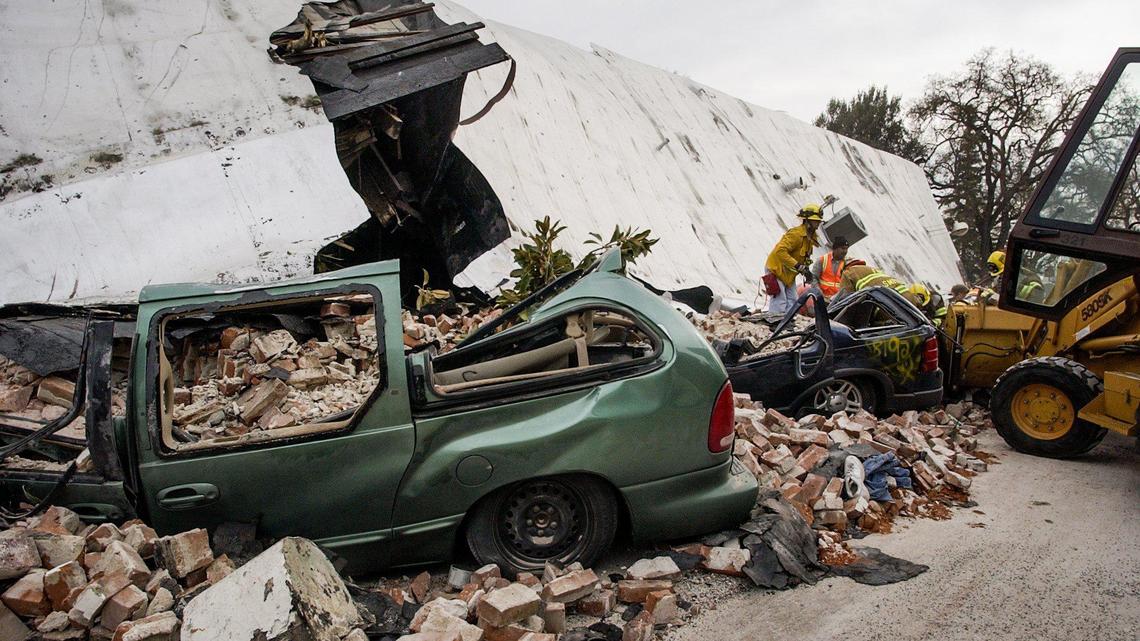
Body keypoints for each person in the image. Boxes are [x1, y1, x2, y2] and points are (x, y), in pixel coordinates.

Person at [763, 204, 823, 315]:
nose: (818, 223)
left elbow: (804, 257)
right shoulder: (796, 234)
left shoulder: (810, 238)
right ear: (807, 220)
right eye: (816, 221)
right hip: (776, 269)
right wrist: (798, 266)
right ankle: (775, 324)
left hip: (788, 273)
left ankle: (787, 324)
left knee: (793, 300)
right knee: (780, 300)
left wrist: (806, 270)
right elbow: (780, 251)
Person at [812, 235, 849, 300]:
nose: (845, 251)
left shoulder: (847, 263)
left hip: (836, 301)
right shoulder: (822, 260)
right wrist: (818, 292)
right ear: (835, 248)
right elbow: (813, 278)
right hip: (820, 297)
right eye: (843, 248)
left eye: (846, 249)